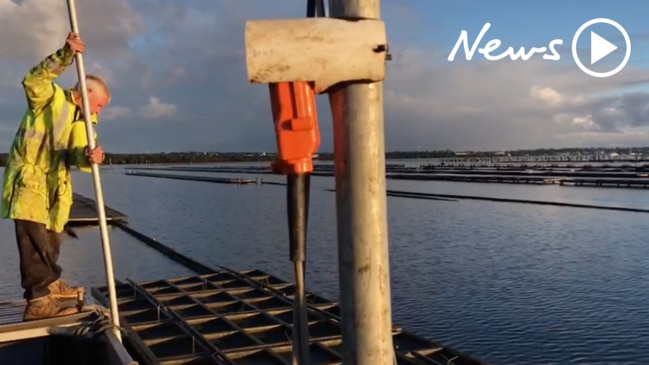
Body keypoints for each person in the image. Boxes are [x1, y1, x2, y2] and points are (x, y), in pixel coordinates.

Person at [0, 32, 110, 321]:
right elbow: (32, 80)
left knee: (51, 241)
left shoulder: (83, 121)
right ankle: (38, 301)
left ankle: (49, 283)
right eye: (99, 105)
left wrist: (89, 156)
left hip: (56, 187)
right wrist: (64, 56)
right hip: (30, 180)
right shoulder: (49, 98)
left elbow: (74, 154)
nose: (99, 111)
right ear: (86, 94)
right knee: (33, 242)